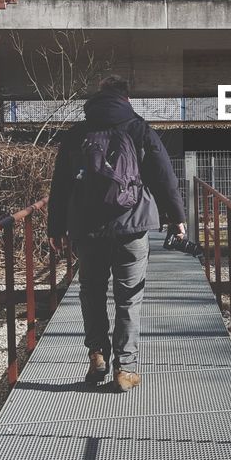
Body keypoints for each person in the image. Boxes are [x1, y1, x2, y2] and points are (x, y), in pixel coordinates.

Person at [48, 76, 186, 391]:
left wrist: (55, 228)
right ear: (126, 99)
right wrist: (176, 217)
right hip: (132, 225)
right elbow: (164, 176)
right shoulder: (139, 129)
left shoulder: (79, 133)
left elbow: (60, 186)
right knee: (129, 297)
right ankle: (125, 368)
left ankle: (96, 353)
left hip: (87, 228)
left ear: (97, 100)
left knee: (91, 292)